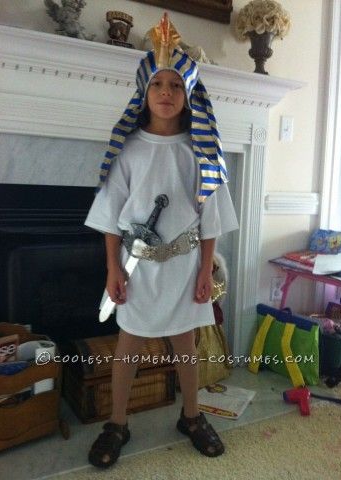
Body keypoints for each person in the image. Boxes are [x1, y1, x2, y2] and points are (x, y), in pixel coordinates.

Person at [84, 13, 239, 469]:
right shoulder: (129, 150)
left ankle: (191, 416)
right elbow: (111, 216)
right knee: (128, 343)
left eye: (175, 85)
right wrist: (113, 267)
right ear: (144, 92)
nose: (167, 94)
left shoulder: (201, 152)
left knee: (185, 345)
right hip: (138, 267)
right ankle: (117, 422)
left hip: (185, 267)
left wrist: (206, 270)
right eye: (158, 86)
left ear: (188, 93)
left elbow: (210, 217)